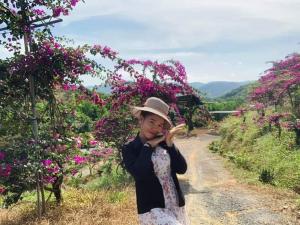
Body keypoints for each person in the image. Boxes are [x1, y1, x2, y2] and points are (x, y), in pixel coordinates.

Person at [121, 97, 189, 225]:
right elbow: (139, 174)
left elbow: (182, 169)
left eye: (159, 125)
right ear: (141, 119)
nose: (155, 128)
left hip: (175, 203)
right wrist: (148, 146)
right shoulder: (130, 148)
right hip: (152, 208)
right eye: (152, 122)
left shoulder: (164, 143)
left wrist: (170, 144)